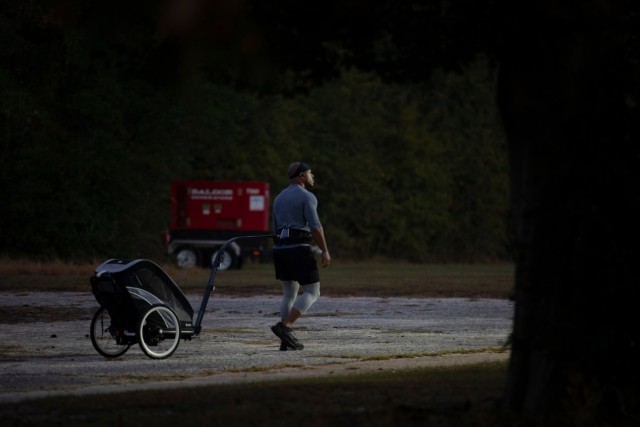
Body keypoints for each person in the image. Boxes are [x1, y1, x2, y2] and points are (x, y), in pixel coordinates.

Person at [270, 161, 331, 351]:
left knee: (289, 294)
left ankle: (285, 341)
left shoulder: (278, 198)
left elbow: (274, 228)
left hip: (280, 249)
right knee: (313, 292)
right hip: (298, 249)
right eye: (311, 173)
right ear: (302, 176)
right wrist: (325, 250)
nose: (313, 177)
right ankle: (285, 327)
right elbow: (315, 226)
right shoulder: (307, 197)